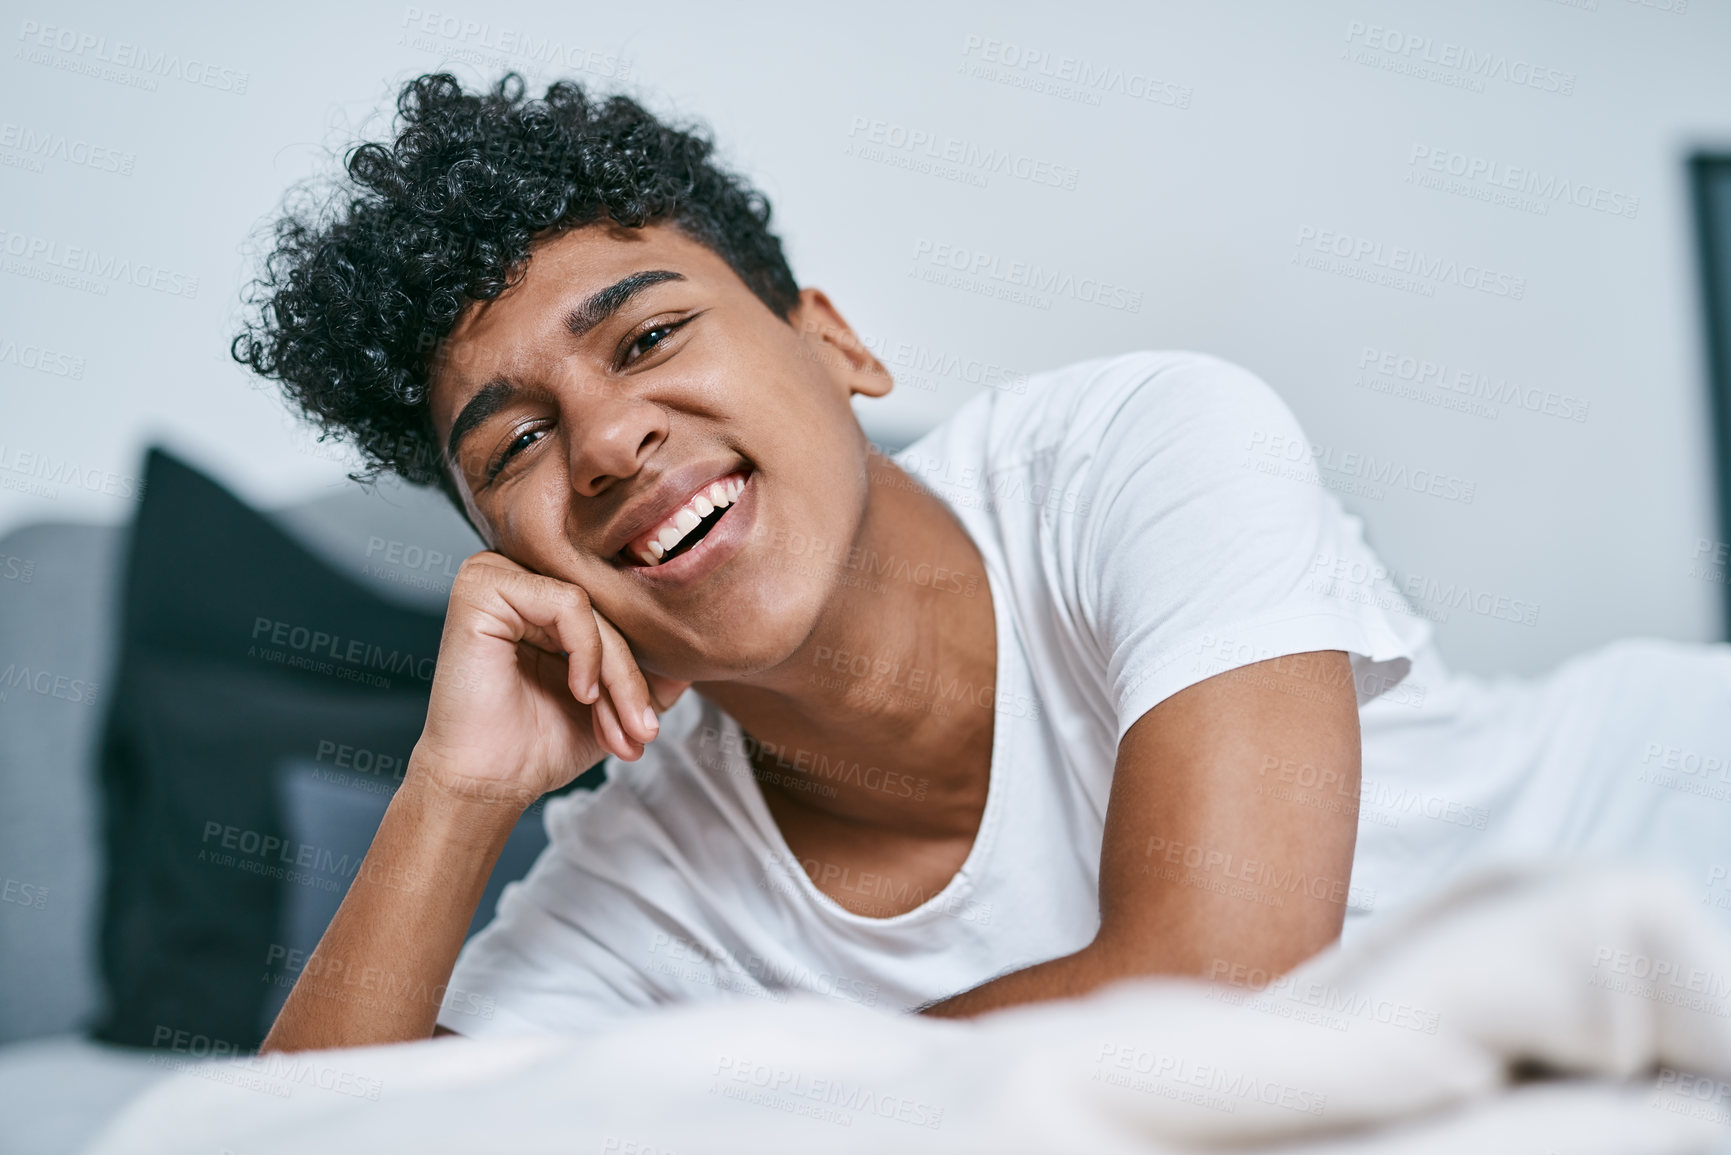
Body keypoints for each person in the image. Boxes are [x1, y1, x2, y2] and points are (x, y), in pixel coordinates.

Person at [236, 72, 1731, 1052]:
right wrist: (455, 794)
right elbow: (312, 1146)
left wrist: (709, 1109)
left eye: (650, 336)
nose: (613, 442)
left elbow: (1219, 995)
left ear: (837, 345)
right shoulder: (652, 875)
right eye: (515, 448)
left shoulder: (1145, 446)